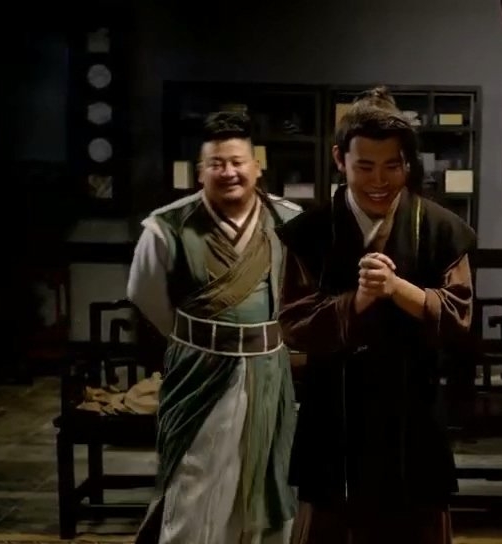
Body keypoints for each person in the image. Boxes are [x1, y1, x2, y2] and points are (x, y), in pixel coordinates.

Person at [275, 86, 476, 544]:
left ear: (409, 164)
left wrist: (398, 289)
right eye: (365, 167)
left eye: (393, 166)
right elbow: (294, 323)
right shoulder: (310, 233)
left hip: (414, 410)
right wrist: (357, 301)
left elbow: (459, 317)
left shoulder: (442, 229)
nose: (379, 181)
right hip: (334, 414)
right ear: (339, 159)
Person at [127, 111, 302, 544]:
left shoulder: (288, 220)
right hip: (199, 371)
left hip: (268, 371)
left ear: (256, 166)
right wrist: (198, 338)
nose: (229, 173)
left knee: (266, 475)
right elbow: (146, 294)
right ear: (200, 171)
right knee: (196, 480)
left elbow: (303, 290)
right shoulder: (168, 225)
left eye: (237, 162)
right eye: (216, 164)